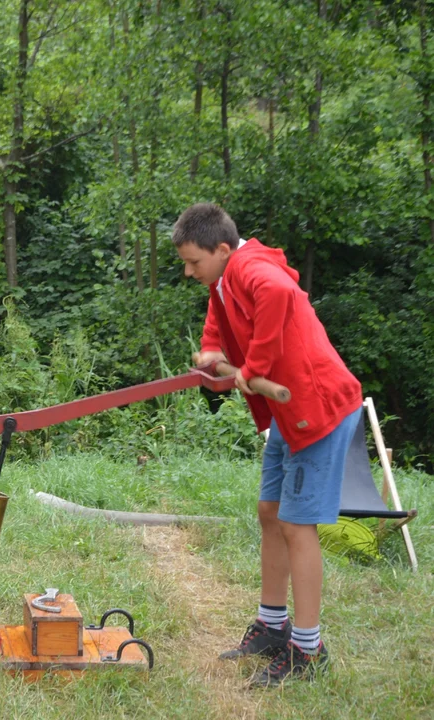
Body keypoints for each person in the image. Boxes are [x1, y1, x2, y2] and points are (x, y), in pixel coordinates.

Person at [172, 203, 363, 686]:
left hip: (314, 411)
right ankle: (272, 625)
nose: (188, 270)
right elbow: (218, 316)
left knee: (298, 526)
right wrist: (211, 352)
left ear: (221, 249)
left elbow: (280, 293)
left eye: (193, 261)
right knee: (270, 511)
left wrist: (252, 369)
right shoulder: (222, 278)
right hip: (286, 412)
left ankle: (307, 649)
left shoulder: (253, 268)